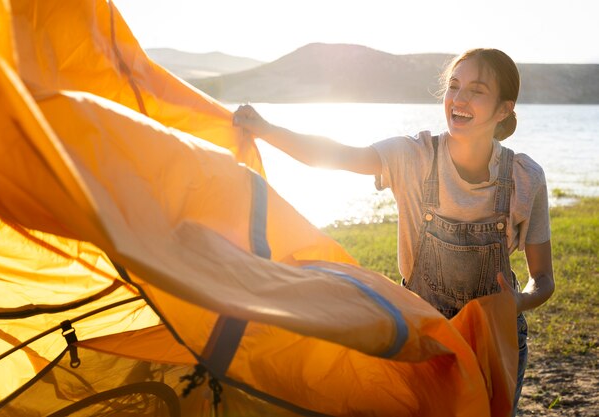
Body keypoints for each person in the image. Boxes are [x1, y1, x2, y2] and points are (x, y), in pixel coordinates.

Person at [233, 48, 554, 415]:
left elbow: (542, 278)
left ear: (503, 109)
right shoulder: (413, 156)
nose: (459, 98)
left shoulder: (525, 178)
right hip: (425, 337)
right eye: (453, 86)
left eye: (476, 90)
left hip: (496, 344)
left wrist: (518, 301)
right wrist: (267, 130)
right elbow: (338, 155)